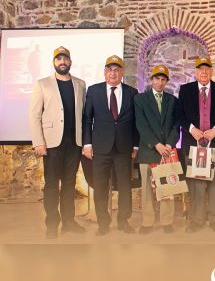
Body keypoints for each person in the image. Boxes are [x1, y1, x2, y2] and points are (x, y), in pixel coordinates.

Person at [29, 46, 86, 239]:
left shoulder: (80, 84)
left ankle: (69, 222)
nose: (62, 62)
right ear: (54, 62)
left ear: (70, 61)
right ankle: (52, 224)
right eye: (59, 59)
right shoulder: (42, 84)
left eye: (65, 58)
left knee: (70, 184)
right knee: (52, 185)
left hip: (74, 143)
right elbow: (34, 115)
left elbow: (83, 114)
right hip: (52, 143)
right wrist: (38, 142)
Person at [82, 55, 139, 236]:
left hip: (123, 148)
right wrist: (87, 143)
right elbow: (87, 119)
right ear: (105, 72)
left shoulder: (132, 92)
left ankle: (123, 221)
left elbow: (135, 122)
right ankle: (103, 223)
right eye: (110, 70)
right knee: (100, 187)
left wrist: (136, 146)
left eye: (117, 70)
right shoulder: (94, 91)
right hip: (100, 148)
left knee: (124, 186)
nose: (113, 73)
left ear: (122, 73)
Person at [177, 56, 215, 233]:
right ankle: (197, 219)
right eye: (200, 69)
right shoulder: (185, 90)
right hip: (193, 145)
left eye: (207, 69)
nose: (204, 72)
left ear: (211, 71)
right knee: (196, 184)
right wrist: (191, 129)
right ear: (195, 72)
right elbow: (180, 114)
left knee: (214, 183)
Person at [134, 64, 180, 234]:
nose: (160, 82)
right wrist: (156, 144)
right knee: (147, 188)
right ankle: (147, 222)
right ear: (151, 79)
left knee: (168, 186)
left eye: (163, 79)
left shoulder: (172, 100)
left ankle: (167, 221)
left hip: (167, 151)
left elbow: (176, 125)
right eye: (157, 79)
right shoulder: (140, 99)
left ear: (166, 81)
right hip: (148, 150)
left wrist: (168, 144)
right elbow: (141, 125)